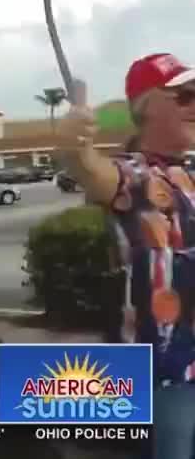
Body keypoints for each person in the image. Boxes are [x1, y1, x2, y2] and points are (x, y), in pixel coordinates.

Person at [58, 54, 195, 459]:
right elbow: (94, 171)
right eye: (184, 96)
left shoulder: (189, 174)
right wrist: (75, 149)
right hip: (164, 375)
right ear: (145, 107)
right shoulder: (135, 176)